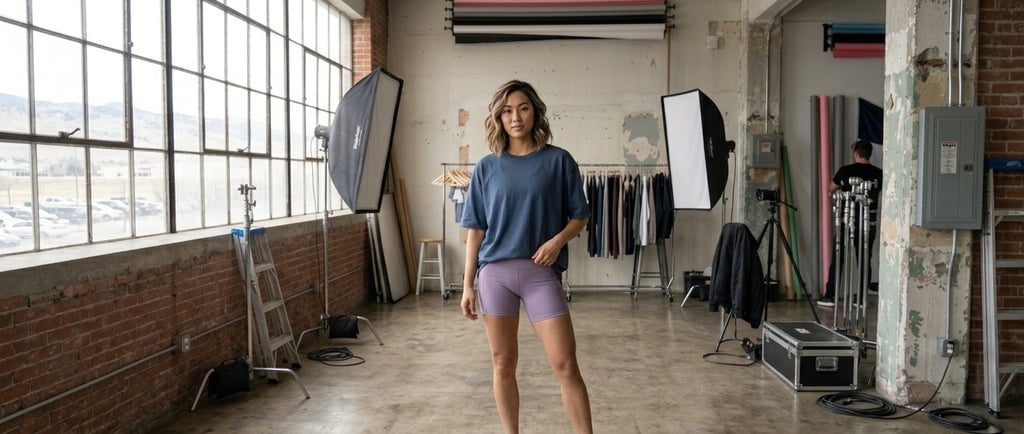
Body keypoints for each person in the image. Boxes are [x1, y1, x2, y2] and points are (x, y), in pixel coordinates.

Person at [459, 80, 594, 434]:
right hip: (494, 275)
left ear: (535, 112)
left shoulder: (559, 161)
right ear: (498, 118)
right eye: (506, 111)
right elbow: (475, 230)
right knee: (503, 363)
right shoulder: (487, 168)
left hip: (540, 273)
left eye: (522, 108)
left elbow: (580, 216)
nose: (515, 117)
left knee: (565, 364)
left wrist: (557, 242)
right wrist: (467, 285)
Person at [819, 139, 883, 307]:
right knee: (864, 258)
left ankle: (831, 296)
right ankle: (861, 298)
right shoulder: (878, 173)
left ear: (856, 154)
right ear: (869, 154)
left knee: (838, 256)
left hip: (846, 221)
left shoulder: (846, 171)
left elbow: (830, 189)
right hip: (869, 221)